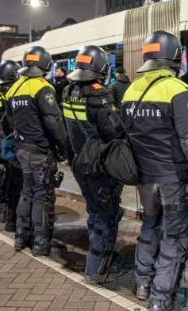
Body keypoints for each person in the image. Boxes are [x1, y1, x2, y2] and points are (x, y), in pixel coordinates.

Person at [125, 31, 188, 311]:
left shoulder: (132, 90)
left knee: (149, 228)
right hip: (173, 179)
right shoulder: (178, 91)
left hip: (144, 178)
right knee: (173, 236)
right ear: (175, 57)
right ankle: (161, 298)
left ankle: (142, 284)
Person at [62, 46, 126, 282]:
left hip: (80, 163)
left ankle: (98, 253)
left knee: (94, 210)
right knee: (105, 215)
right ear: (101, 68)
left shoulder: (68, 91)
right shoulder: (99, 95)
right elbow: (115, 132)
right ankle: (97, 267)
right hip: (99, 164)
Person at [6, 46, 70, 256]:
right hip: (40, 150)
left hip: (22, 148)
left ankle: (21, 237)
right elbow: (53, 121)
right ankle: (41, 243)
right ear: (46, 65)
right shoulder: (42, 88)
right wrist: (63, 146)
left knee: (27, 191)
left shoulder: (14, 88)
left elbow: (8, 119)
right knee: (42, 195)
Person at [0, 60, 23, 232]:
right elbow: (11, 118)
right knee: (15, 180)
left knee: (7, 177)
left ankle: (5, 213)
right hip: (10, 138)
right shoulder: (9, 91)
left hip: (0, 137)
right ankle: (13, 218)